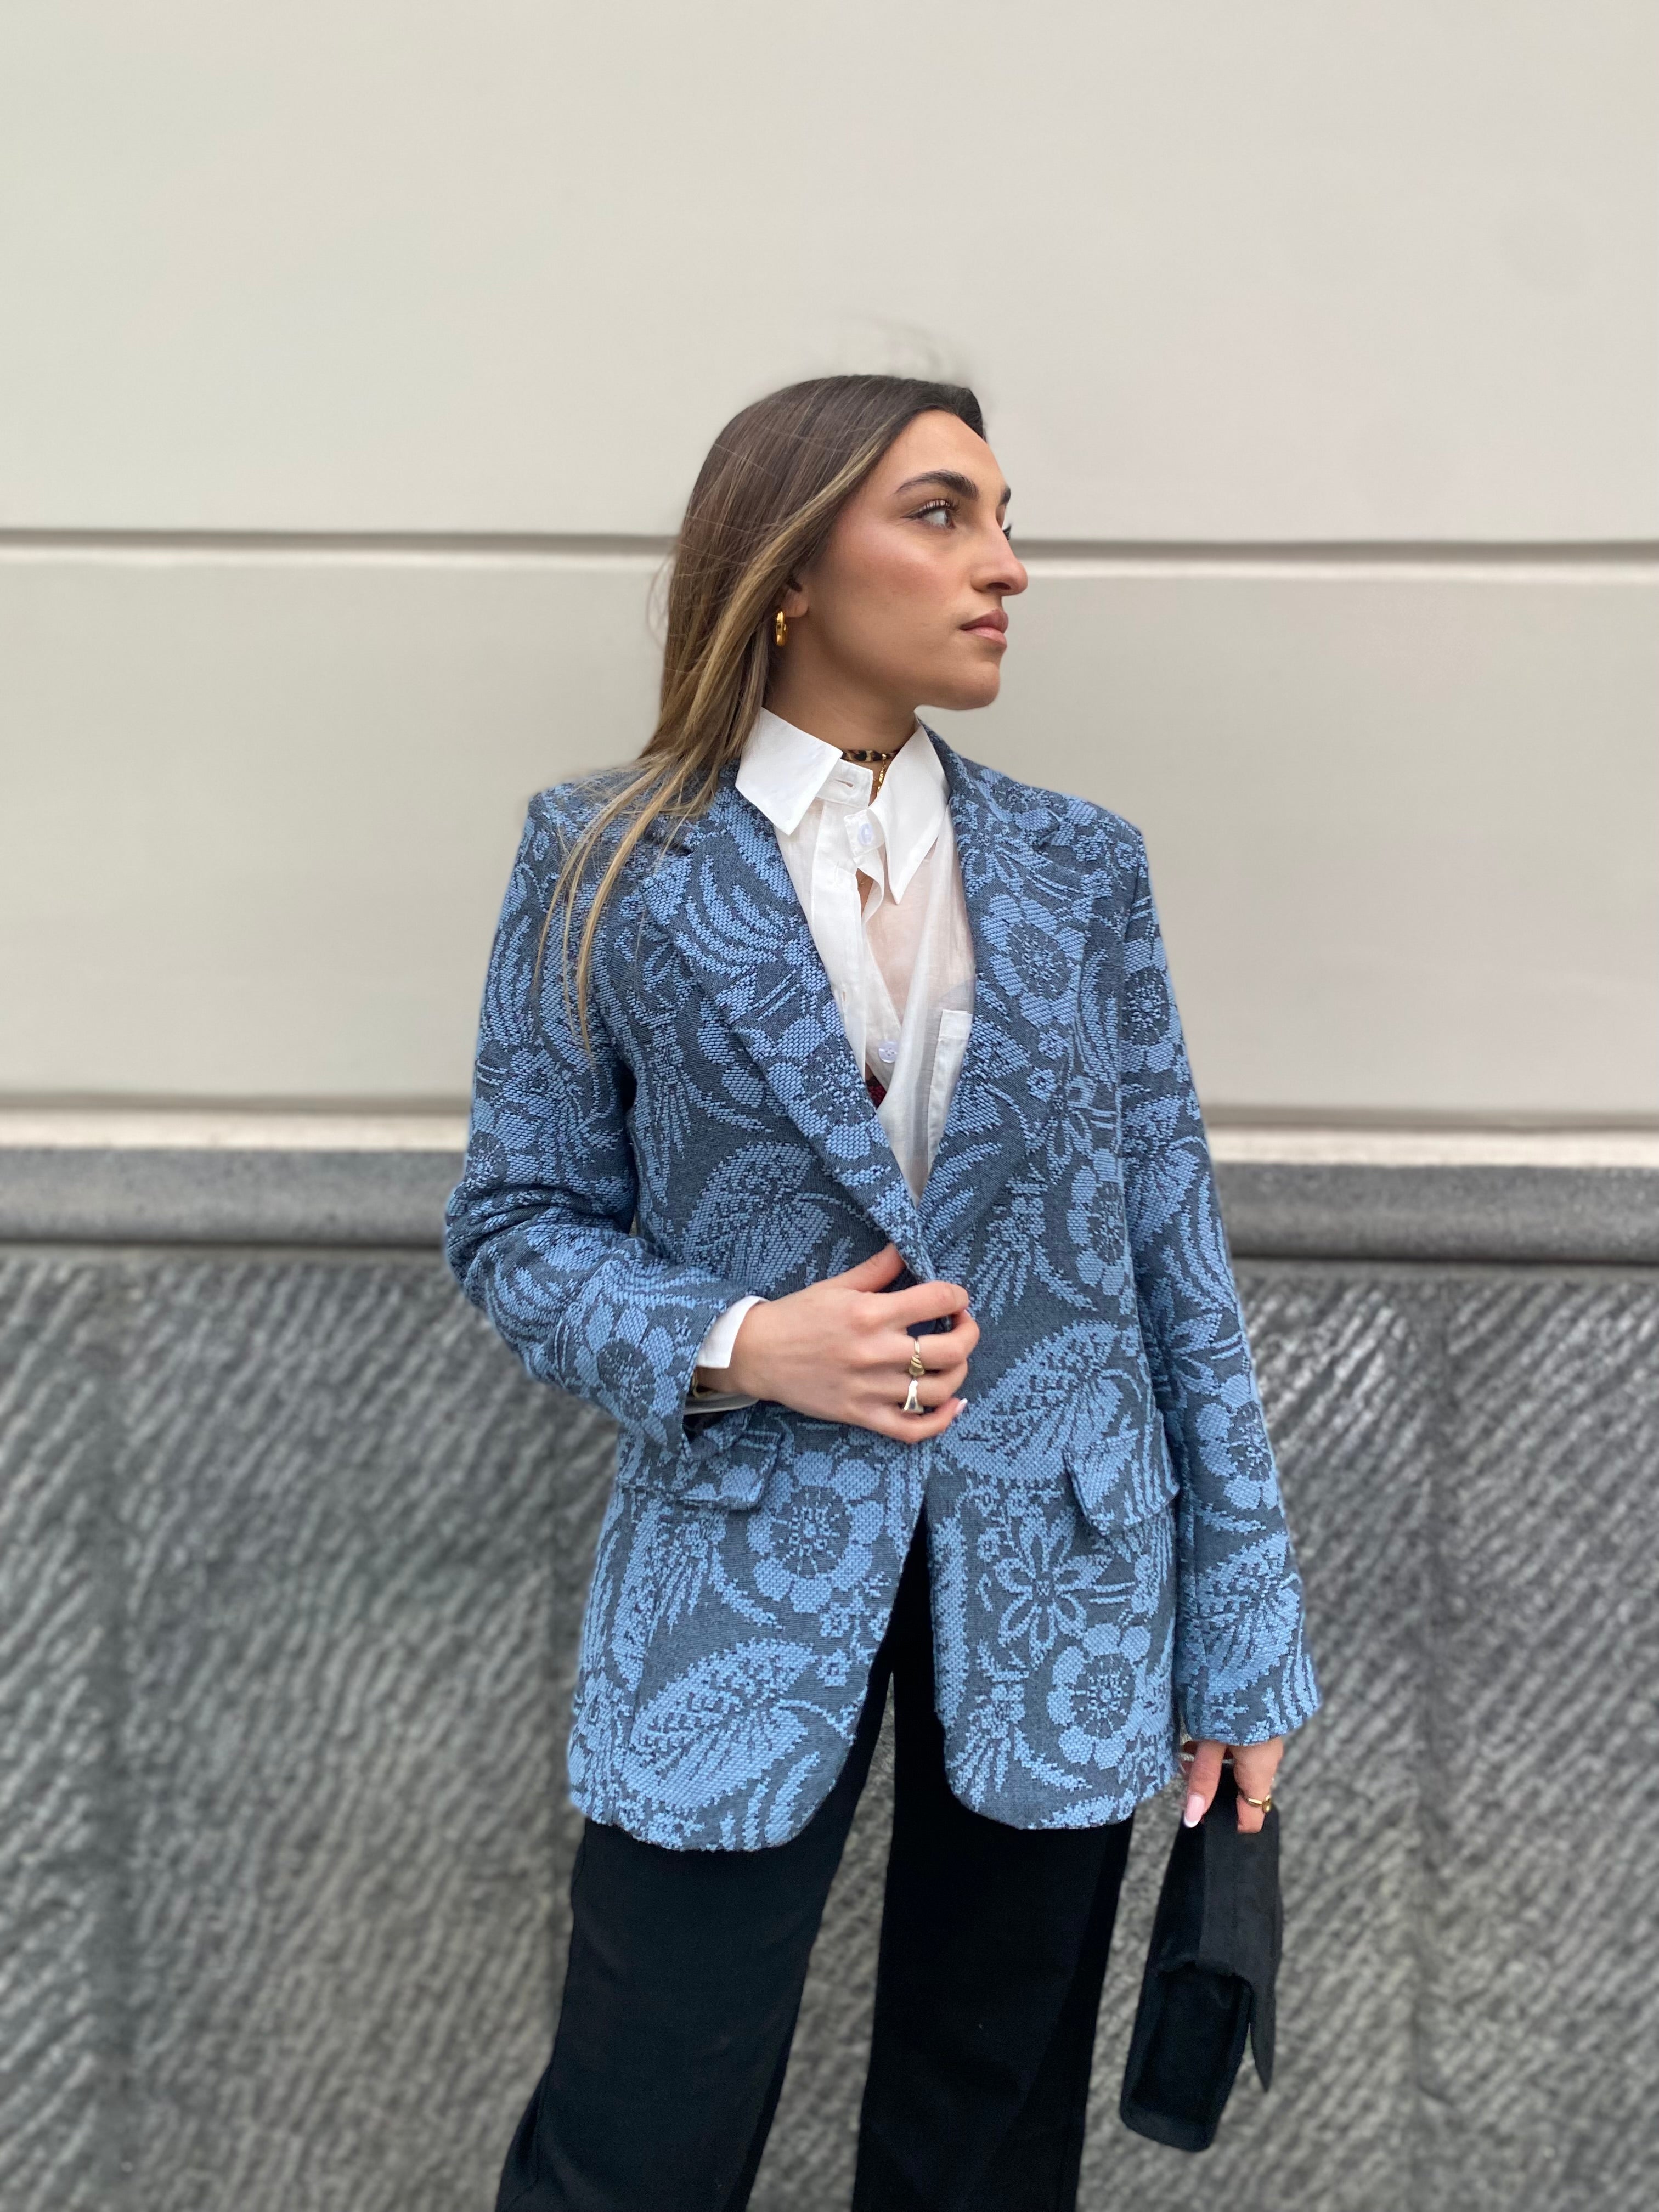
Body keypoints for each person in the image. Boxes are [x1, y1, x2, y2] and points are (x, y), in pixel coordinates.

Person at [444, 374, 1321, 2212]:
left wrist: (1241, 1638)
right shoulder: (606, 859)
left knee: (985, 2149)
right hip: (734, 1577)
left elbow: (1172, 1258)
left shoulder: (1081, 869)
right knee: (634, 2138)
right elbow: (516, 1223)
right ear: (785, 568)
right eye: (941, 514)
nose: (1005, 566)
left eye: (1005, 520)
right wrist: (741, 1343)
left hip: (1067, 1573)